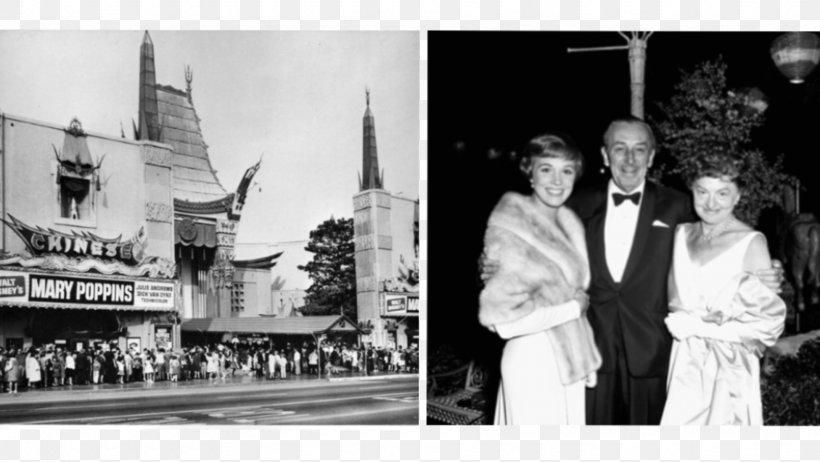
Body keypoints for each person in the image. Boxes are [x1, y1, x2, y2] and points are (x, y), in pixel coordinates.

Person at [566, 116, 783, 425]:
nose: (629, 159)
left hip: (658, 354)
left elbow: (725, 250)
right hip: (593, 351)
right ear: (604, 155)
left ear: (652, 156)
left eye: (639, 149)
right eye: (620, 149)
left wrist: (771, 271)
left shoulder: (679, 206)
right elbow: (544, 254)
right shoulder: (577, 205)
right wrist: (495, 263)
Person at [479, 133, 601, 425]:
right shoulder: (511, 227)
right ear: (529, 172)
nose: (557, 180)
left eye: (566, 171)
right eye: (546, 169)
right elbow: (506, 323)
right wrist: (573, 309)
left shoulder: (569, 223)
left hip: (567, 361)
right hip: (532, 361)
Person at [660, 152, 786, 425]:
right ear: (692, 191)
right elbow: (675, 302)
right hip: (685, 357)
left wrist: (702, 328)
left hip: (729, 365)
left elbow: (769, 325)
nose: (711, 203)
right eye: (702, 191)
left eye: (722, 193)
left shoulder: (751, 242)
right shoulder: (682, 234)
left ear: (738, 196)